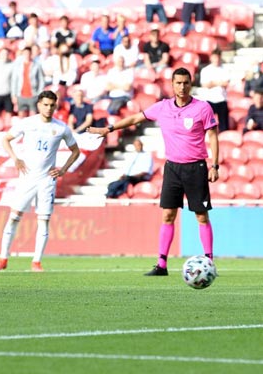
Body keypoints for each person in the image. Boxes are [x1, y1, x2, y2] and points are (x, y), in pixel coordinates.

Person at [88, 67, 219, 276]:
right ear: (172, 84)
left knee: (201, 216)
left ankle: (209, 262)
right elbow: (134, 119)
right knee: (167, 215)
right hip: (172, 168)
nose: (182, 87)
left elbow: (212, 136)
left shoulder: (202, 108)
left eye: (186, 82)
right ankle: (162, 265)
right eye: (178, 83)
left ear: (190, 83)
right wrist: (109, 129)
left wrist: (214, 165)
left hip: (196, 167)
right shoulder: (162, 107)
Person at [0, 90, 81, 272]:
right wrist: (15, 158)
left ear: (55, 106)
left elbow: (75, 151)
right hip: (27, 177)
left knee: (44, 220)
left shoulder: (61, 127)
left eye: (52, 105)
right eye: (45, 105)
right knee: (14, 216)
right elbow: (6, 139)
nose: (48, 108)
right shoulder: (27, 123)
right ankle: (3, 258)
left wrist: (63, 169)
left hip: (47, 179)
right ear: (39, 105)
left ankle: (36, 262)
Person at [196, 49, 230, 132]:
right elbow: (205, 85)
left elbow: (226, 83)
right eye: (215, 57)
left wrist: (212, 83)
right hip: (209, 100)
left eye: (218, 57)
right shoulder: (206, 70)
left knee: (224, 126)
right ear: (211, 58)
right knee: (207, 124)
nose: (217, 59)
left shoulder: (225, 69)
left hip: (222, 99)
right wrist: (219, 83)